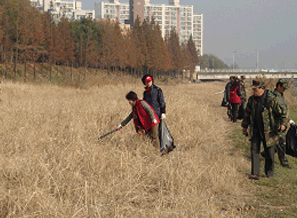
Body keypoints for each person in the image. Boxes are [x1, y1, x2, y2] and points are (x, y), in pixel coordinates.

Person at [241, 79, 286, 180]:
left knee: (269, 153)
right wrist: (244, 127)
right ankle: (255, 173)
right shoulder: (252, 100)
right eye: (253, 90)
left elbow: (282, 114)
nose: (254, 92)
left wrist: (283, 124)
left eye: (256, 90)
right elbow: (247, 114)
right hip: (255, 129)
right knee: (254, 151)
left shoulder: (271, 99)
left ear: (262, 89)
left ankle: (269, 172)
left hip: (269, 131)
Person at [261, 79, 291, 168]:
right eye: (283, 88)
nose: (284, 90)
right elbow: (278, 111)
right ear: (279, 86)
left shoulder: (281, 96)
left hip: (280, 123)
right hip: (275, 124)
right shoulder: (274, 96)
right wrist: (282, 123)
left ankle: (265, 153)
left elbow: (284, 111)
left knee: (275, 143)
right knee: (281, 143)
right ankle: (284, 162)